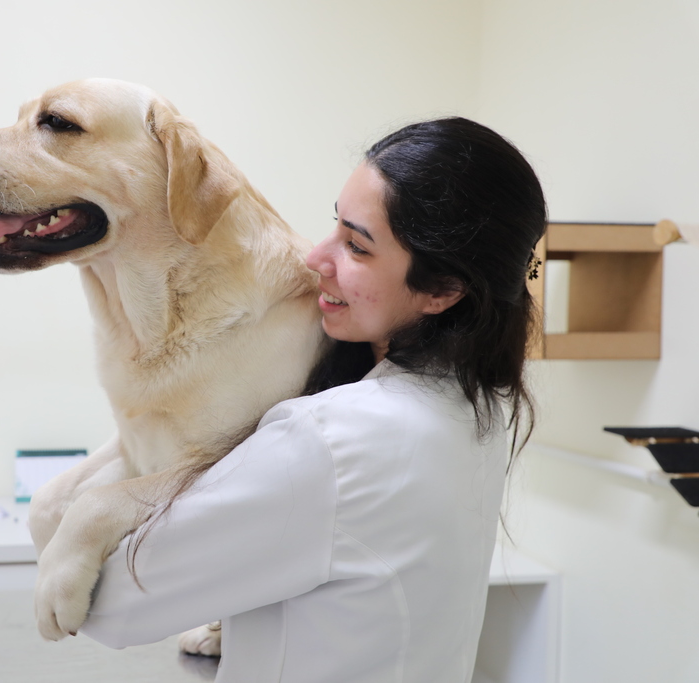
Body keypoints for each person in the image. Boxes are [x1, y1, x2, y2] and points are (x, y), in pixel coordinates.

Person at [78, 117, 547, 683]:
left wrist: (86, 511)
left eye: (357, 246)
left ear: (443, 291)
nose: (314, 257)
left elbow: (111, 607)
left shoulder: (329, 439)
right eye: (335, 227)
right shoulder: (480, 405)